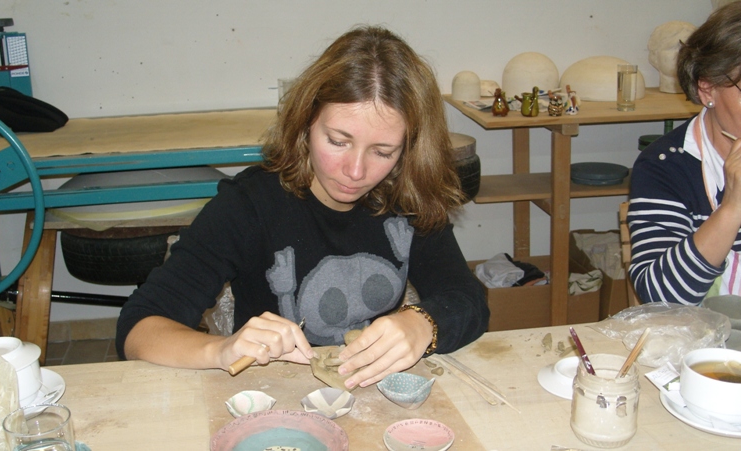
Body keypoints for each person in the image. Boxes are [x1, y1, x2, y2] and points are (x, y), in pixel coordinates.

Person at [116, 25, 490, 389]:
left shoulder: (406, 196)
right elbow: (139, 328)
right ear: (307, 121)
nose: (356, 172)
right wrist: (220, 349)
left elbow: (468, 300)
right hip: (271, 397)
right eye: (338, 141)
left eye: (382, 151)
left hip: (372, 395)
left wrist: (423, 323)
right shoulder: (250, 204)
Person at [628, 2, 741, 305]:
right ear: (707, 89)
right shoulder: (666, 166)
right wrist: (732, 208)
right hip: (705, 333)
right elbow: (661, 297)